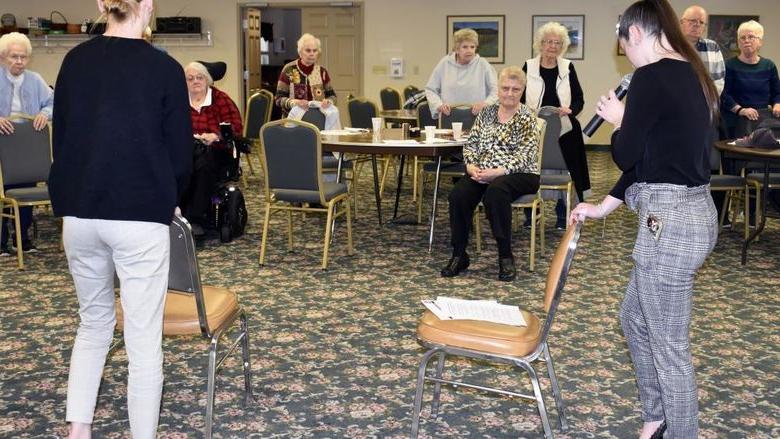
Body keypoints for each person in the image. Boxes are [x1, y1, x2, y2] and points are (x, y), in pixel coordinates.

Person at [570, 1, 719, 437]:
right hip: (690, 215)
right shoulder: (691, 72)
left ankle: (680, 431)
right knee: (634, 319)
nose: (625, 58)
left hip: (669, 224)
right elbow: (654, 159)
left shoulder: (651, 77)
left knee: (670, 347)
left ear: (636, 33)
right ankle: (657, 419)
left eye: (623, 47)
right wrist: (603, 206)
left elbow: (624, 153)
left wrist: (619, 121)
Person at [48, 0, 192, 437]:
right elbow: (181, 153)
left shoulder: (73, 61)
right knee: (143, 337)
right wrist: (171, 195)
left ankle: (78, 430)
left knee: (93, 323)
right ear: (148, 6)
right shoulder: (164, 68)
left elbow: (63, 137)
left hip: (80, 213)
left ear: (101, 4)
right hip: (140, 214)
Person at [440, 66, 539, 282]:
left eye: (515, 89)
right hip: (482, 172)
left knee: (496, 192)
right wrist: (470, 166)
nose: (509, 93)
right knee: (458, 195)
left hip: (519, 173)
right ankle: (459, 254)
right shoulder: (486, 112)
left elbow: (525, 155)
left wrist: (497, 172)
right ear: (499, 90)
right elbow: (471, 143)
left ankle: (505, 256)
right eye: (505, 88)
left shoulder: (527, 117)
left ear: (522, 90)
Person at [521, 21, 591, 230]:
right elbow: (520, 97)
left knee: (565, 170)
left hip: (563, 127)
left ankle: (562, 216)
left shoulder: (568, 67)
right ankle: (531, 214)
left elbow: (579, 99)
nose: (552, 46)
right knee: (530, 169)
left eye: (557, 43)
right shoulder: (528, 66)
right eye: (548, 42)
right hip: (534, 127)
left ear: (563, 47)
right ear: (540, 44)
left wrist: (571, 110)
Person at [0, 32, 54, 255]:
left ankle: (22, 239)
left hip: (27, 145)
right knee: (4, 192)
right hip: (3, 142)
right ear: (3, 57)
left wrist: (44, 113)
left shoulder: (35, 79)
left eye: (23, 57)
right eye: (14, 57)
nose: (19, 62)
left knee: (26, 189)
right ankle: (1, 241)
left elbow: (53, 103)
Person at [181, 60, 243, 236]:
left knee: (203, 164)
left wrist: (216, 136)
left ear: (207, 80)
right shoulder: (179, 99)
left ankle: (195, 218)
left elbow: (236, 126)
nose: (195, 81)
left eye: (199, 77)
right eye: (190, 78)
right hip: (187, 149)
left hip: (217, 150)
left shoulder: (220, 99)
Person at [722, 20, 780, 138]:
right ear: (738, 42)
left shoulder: (769, 65)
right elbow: (724, 94)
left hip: (764, 122)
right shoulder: (729, 65)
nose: (746, 40)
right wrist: (742, 110)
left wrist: (777, 104)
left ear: (760, 42)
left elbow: (777, 92)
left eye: (751, 37)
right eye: (742, 38)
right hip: (736, 122)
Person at [425, 28, 498, 120]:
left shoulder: (483, 65)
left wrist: (485, 104)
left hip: (478, 118)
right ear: (457, 49)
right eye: (465, 47)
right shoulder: (444, 64)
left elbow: (496, 92)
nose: (469, 51)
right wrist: (439, 105)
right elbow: (430, 90)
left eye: (472, 47)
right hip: (449, 117)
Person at [274, 33, 341, 130]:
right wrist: (294, 102)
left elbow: (333, 96)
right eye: (308, 50)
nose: (312, 53)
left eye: (315, 50)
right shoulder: (289, 70)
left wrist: (329, 101)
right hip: (294, 124)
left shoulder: (322, 72)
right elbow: (278, 99)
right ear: (300, 52)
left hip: (319, 123)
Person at [680, 5, 725, 96]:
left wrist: (706, 100)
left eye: (701, 22)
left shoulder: (713, 47)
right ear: (681, 23)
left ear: (704, 28)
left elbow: (719, 81)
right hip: (676, 104)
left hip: (705, 104)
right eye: (692, 20)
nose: (697, 24)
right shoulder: (670, 46)